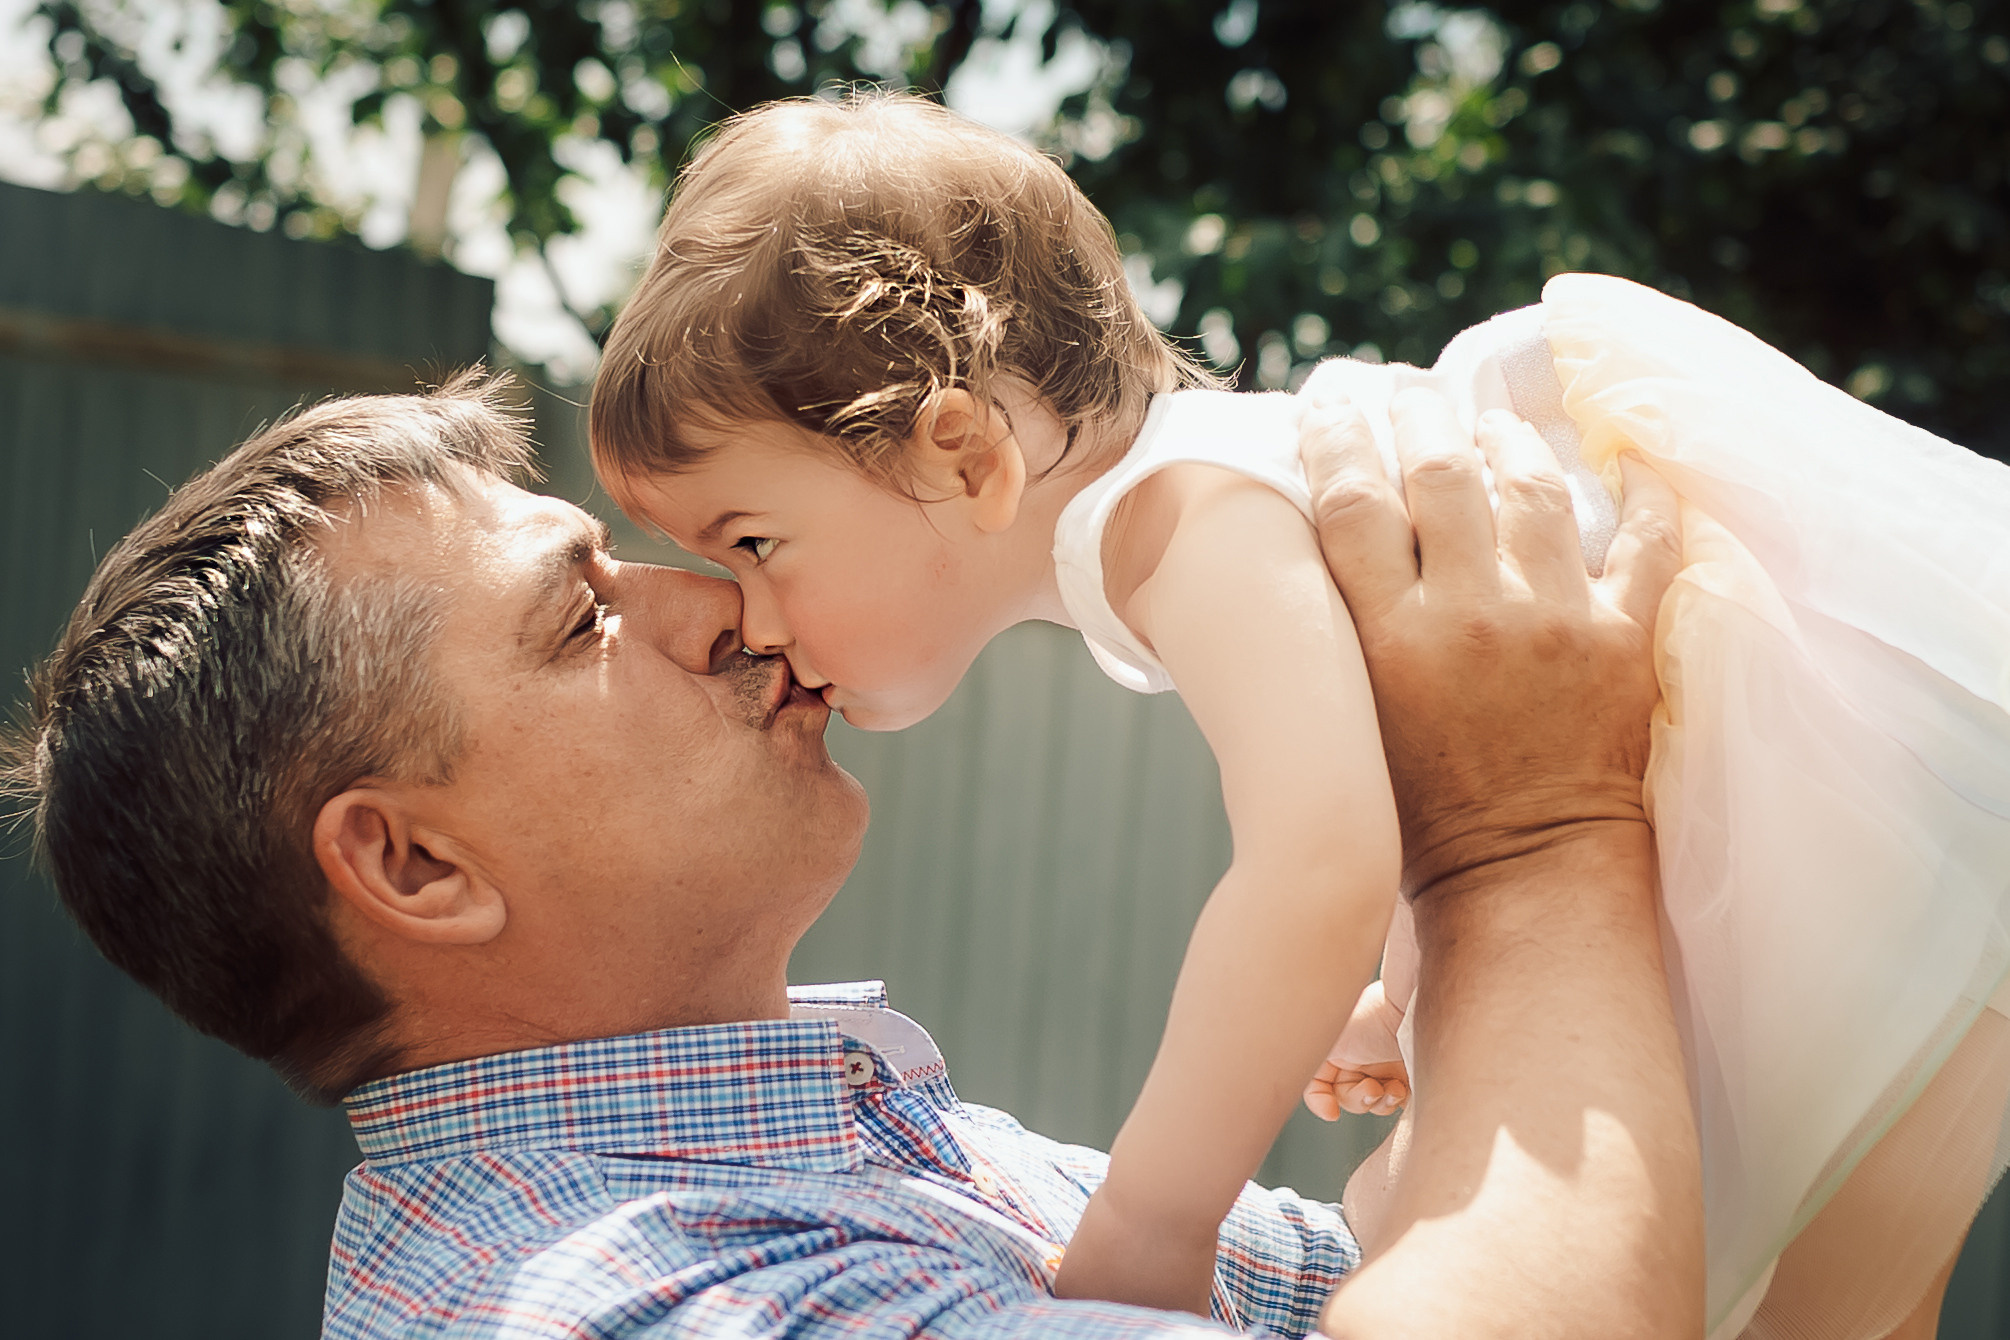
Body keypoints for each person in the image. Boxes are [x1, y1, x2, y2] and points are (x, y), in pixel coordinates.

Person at [585, 92, 2010, 1337]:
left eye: (752, 543)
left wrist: (1154, 1222)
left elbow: (1316, 861)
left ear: (957, 454)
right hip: (1831, 825)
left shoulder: (1191, 520)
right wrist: (1413, 984)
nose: (749, 619)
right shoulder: (1188, 515)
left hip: (1843, 801)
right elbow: (1421, 774)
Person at [2, 370, 1703, 1337]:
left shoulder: (865, 1158)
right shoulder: (638, 1302)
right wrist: (1526, 834)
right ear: (417, 869)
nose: (728, 609)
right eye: (581, 615)